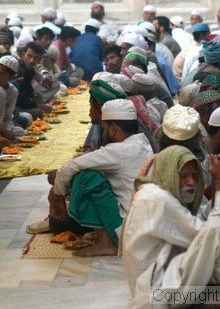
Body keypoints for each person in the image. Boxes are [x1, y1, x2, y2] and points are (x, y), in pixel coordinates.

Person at [122, 145, 220, 308]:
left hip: (165, 280)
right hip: (156, 296)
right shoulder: (157, 200)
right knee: (218, 230)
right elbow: (217, 234)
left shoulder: (161, 193)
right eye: (183, 176)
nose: (191, 182)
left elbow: (203, 222)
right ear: (169, 173)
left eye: (194, 175)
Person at [48, 99, 153, 257]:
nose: (103, 133)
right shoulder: (142, 143)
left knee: (86, 177)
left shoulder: (119, 151)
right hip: (146, 231)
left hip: (128, 235)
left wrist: (57, 196)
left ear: (113, 129)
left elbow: (70, 167)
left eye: (103, 129)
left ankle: (107, 243)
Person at [14, 41, 48, 120]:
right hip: (15, 107)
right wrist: (38, 106)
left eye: (36, 58)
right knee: (38, 112)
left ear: (40, 59)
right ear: (23, 55)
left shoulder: (31, 70)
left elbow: (29, 92)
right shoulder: (19, 70)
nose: (32, 60)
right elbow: (21, 99)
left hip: (24, 103)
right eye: (29, 56)